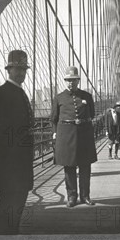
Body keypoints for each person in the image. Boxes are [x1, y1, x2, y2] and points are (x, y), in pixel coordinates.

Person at [0, 50, 34, 234]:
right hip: (10, 166)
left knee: (17, 208)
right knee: (9, 209)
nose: (21, 73)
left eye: (24, 70)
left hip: (21, 163)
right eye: (17, 69)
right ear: (8, 70)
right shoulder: (1, 94)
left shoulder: (18, 92)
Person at [51, 66, 97, 207]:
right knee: (69, 167)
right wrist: (55, 133)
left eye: (73, 80)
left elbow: (92, 114)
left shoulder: (87, 96)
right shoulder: (59, 98)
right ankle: (71, 197)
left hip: (84, 135)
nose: (70, 83)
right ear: (65, 81)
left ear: (78, 80)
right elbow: (53, 118)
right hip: (66, 136)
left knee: (85, 167)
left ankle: (85, 196)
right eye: (68, 80)